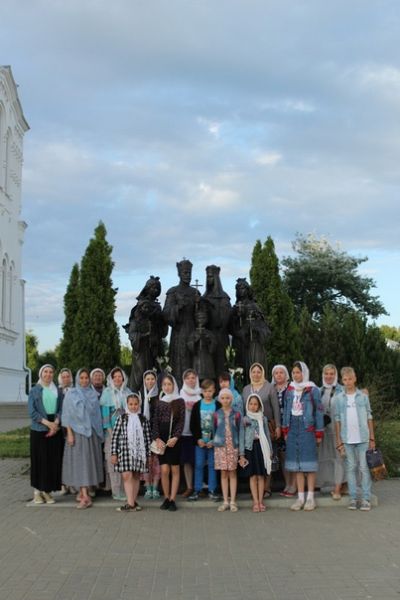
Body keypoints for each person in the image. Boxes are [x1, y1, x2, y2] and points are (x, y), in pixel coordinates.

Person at [282, 361, 324, 511]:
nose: (295, 375)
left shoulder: (312, 390)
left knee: (309, 464)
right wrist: (285, 430)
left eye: (298, 372)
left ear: (304, 373)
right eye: (293, 372)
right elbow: (286, 410)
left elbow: (319, 411)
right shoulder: (290, 390)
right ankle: (300, 498)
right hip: (293, 427)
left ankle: (310, 498)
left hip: (307, 428)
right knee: (297, 465)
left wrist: (319, 432)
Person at [61, 368, 104, 509]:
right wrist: (69, 433)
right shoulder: (71, 394)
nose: (84, 380)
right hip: (77, 434)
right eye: (82, 378)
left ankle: (83, 493)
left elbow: (97, 416)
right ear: (77, 379)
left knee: (87, 464)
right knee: (79, 464)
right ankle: (85, 497)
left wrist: (98, 434)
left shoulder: (93, 394)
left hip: (91, 435)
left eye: (86, 378)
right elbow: (66, 415)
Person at [335, 366, 375, 511]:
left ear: (355, 379)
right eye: (345, 379)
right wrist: (339, 441)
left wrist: (372, 438)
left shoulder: (363, 396)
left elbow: (369, 416)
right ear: (342, 381)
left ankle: (366, 498)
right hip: (347, 439)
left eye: (350, 379)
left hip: (363, 438)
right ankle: (353, 498)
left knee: (364, 468)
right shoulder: (339, 398)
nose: (348, 382)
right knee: (351, 468)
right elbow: (337, 420)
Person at [242, 363, 280, 496]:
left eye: (259, 372)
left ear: (262, 373)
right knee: (255, 460)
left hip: (266, 427)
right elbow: (244, 409)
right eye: (254, 372)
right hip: (250, 429)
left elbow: (276, 408)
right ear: (250, 374)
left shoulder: (269, 387)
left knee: (267, 456)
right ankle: (255, 491)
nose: (256, 374)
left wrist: (278, 426)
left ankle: (267, 487)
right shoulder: (246, 389)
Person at [28, 364, 64, 504]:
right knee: (39, 461)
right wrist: (49, 424)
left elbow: (61, 409)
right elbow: (32, 412)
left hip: (55, 427)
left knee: (51, 461)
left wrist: (56, 423)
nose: (48, 374)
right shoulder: (34, 390)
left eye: (50, 372)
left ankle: (47, 491)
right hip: (39, 428)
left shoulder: (58, 391)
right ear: (41, 374)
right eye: (45, 372)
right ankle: (37, 492)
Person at [111, 393, 152, 512]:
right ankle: (130, 503)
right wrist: (114, 453)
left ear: (139, 404)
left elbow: (148, 438)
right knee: (126, 475)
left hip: (139, 452)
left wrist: (149, 455)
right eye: (131, 404)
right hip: (124, 451)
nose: (133, 406)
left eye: (135, 404)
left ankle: (132, 502)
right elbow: (115, 436)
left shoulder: (143, 419)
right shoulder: (121, 418)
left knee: (136, 475)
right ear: (127, 404)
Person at [163, 259, 200, 386]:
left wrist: (199, 305)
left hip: (193, 331)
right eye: (185, 272)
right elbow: (166, 313)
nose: (188, 275)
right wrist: (178, 307)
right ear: (179, 273)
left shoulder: (195, 292)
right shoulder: (173, 292)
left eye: (189, 273)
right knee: (179, 362)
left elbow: (201, 315)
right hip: (179, 332)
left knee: (193, 360)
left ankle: (193, 389)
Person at [152, 374, 185, 511]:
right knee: (164, 470)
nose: (167, 387)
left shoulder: (180, 401)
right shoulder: (159, 402)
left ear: (174, 385)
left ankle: (172, 499)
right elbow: (155, 422)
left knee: (175, 469)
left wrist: (176, 437)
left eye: (169, 384)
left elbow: (181, 421)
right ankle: (166, 498)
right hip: (162, 440)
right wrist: (157, 438)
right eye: (164, 384)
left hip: (174, 440)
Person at [100, 367, 132, 500]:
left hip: (126, 432)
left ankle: (126, 489)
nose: (118, 379)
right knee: (112, 461)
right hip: (111, 432)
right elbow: (105, 416)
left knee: (125, 461)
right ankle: (116, 491)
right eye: (115, 377)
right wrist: (112, 433)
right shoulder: (107, 393)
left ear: (123, 378)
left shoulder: (128, 392)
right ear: (111, 379)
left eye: (120, 376)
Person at [188, 379, 221, 501]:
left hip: (213, 443)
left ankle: (212, 490)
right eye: (206, 391)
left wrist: (214, 440)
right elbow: (193, 425)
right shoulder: (197, 405)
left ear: (214, 391)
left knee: (212, 465)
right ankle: (197, 489)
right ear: (202, 391)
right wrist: (198, 439)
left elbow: (221, 425)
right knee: (199, 465)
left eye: (210, 391)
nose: (208, 393)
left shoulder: (218, 405)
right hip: (200, 443)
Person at [213, 388, 245, 512]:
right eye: (223, 398)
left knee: (232, 473)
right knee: (223, 473)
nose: (225, 400)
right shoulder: (216, 414)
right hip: (220, 447)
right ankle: (225, 501)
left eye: (228, 398)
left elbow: (240, 432)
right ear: (219, 399)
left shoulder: (237, 414)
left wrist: (241, 451)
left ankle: (233, 501)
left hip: (233, 447)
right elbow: (214, 430)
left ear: (231, 399)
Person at [317, 364, 345, 499]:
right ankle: (328, 484)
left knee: (339, 458)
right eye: (326, 374)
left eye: (331, 374)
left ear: (336, 375)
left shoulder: (342, 391)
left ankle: (338, 487)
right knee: (325, 458)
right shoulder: (318, 391)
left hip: (338, 430)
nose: (329, 376)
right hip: (324, 430)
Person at [242, 394, 272, 512]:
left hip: (261, 448)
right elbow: (241, 436)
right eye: (251, 404)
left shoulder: (263, 418)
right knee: (253, 476)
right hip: (250, 449)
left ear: (259, 406)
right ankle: (255, 502)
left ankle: (260, 501)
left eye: (255, 404)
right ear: (247, 405)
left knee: (261, 475)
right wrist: (241, 454)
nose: (253, 406)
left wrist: (270, 450)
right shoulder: (245, 419)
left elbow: (267, 435)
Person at [272, 364, 297, 498]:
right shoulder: (272, 389)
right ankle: (287, 484)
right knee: (282, 457)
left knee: (291, 456)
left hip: (290, 426)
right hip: (277, 427)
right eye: (276, 373)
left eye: (281, 372)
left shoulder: (291, 388)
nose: (279, 375)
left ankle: (294, 485)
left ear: (286, 374)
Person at [179, 369, 202, 497]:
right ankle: (189, 487)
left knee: (198, 461)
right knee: (187, 461)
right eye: (188, 378)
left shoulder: (200, 396)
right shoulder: (180, 394)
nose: (190, 380)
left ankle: (199, 487)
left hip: (197, 434)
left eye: (193, 377)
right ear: (184, 380)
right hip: (184, 432)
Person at [140, 369, 161, 499]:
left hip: (157, 433)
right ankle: (148, 487)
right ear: (144, 381)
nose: (150, 381)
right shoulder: (139, 395)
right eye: (147, 379)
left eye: (152, 379)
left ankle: (155, 487)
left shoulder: (159, 395)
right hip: (143, 433)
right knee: (146, 461)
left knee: (156, 461)